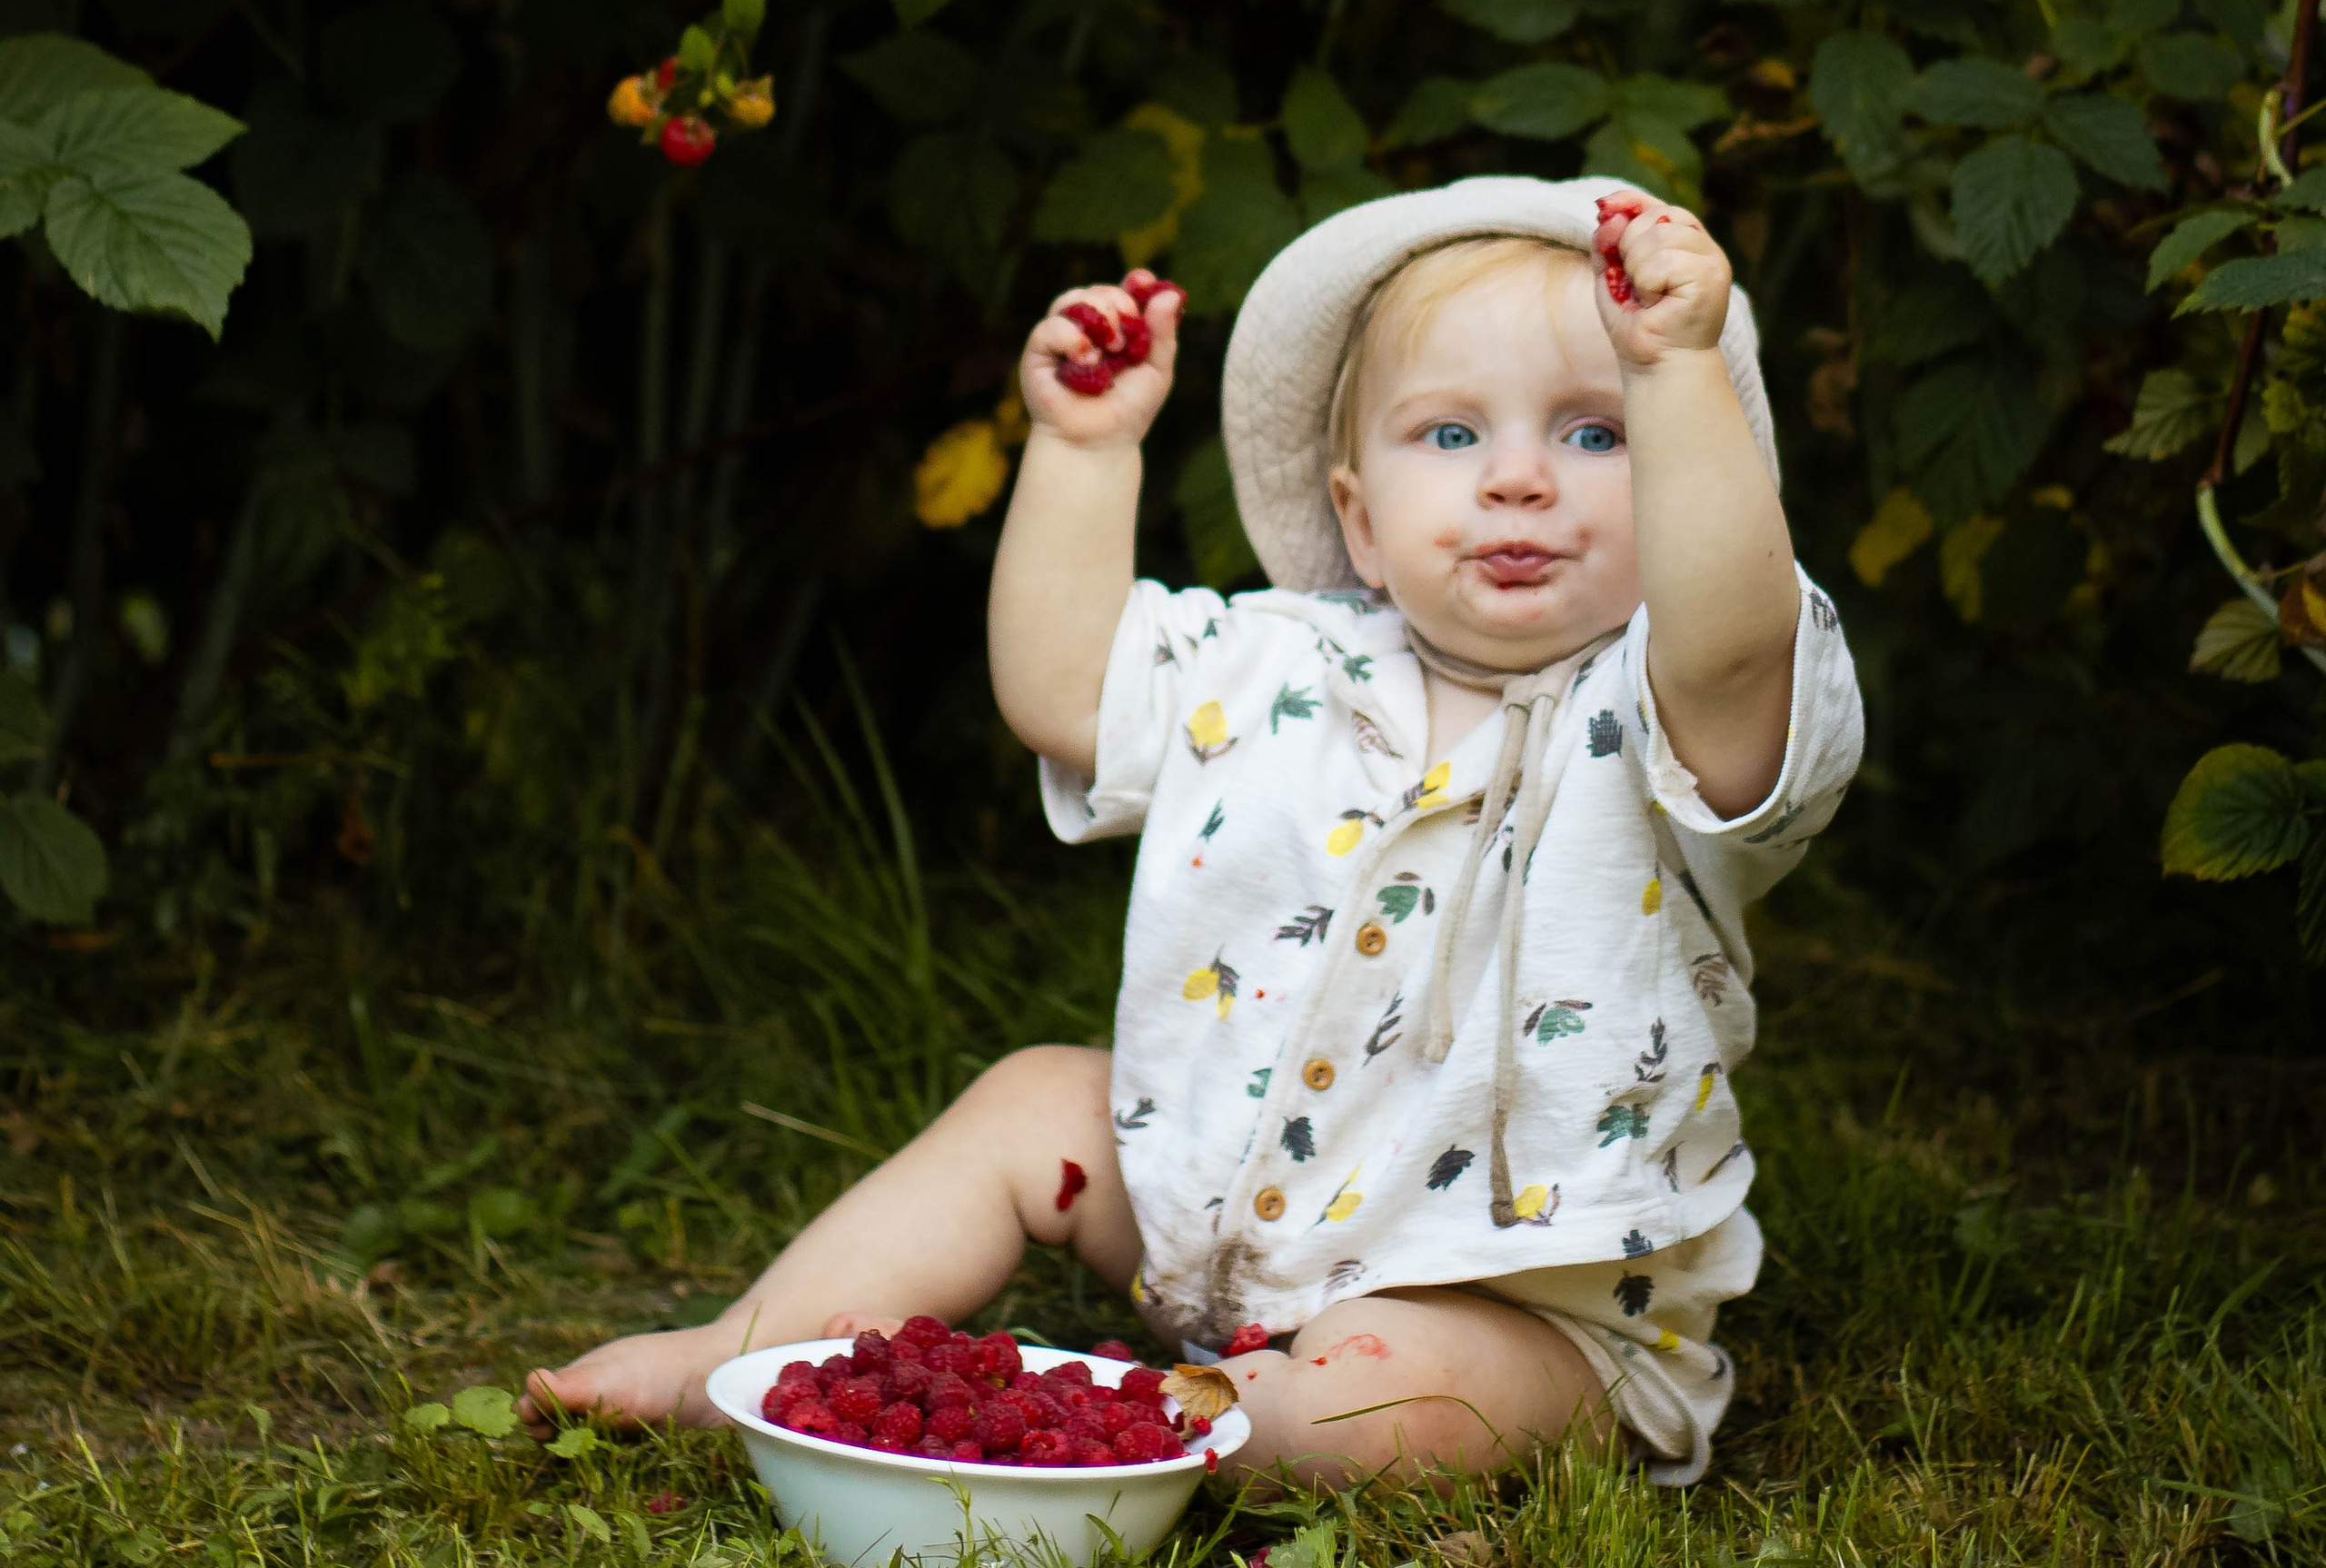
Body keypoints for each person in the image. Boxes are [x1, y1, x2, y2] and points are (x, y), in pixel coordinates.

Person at [523, 177, 1861, 1489]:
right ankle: (746, 1353)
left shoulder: (1673, 709)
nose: (1516, 479)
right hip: (1209, 1223)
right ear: (1358, 518)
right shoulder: (1276, 661)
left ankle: (1199, 1427)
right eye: (1451, 437)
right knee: (1035, 1105)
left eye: (1596, 432)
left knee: (1380, 1401)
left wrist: (1678, 371)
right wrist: (1086, 455)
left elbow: (1732, 626)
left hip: (1525, 1313)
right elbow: (1062, 692)